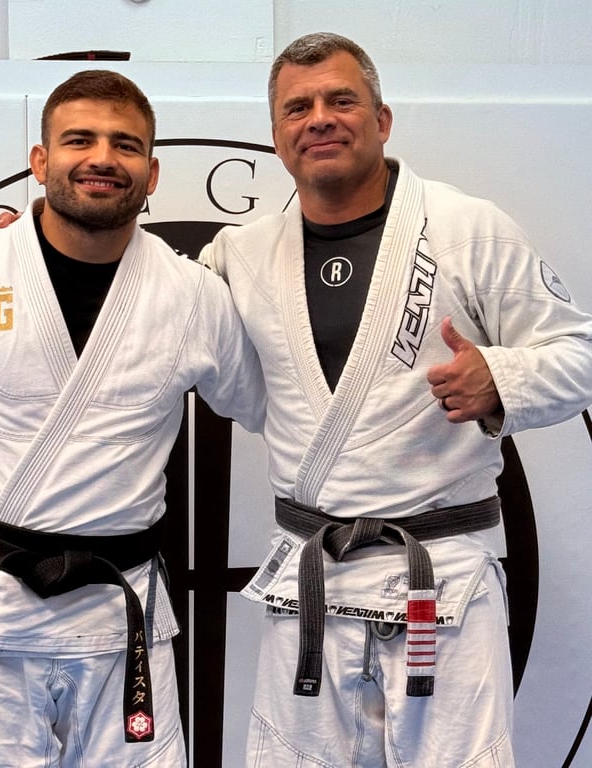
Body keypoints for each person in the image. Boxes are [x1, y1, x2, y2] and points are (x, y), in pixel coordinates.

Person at [0, 70, 266, 768]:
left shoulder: (192, 295)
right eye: (78, 140)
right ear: (40, 160)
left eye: (125, 145)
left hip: (123, 619)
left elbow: (274, 404)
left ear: (151, 174)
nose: (102, 158)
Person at [197, 32, 592, 768]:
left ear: (381, 120)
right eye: (297, 108)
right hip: (310, 583)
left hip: (440, 583)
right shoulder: (240, 255)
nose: (319, 118)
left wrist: (501, 378)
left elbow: (580, 353)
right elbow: (140, 298)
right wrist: (20, 244)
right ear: (278, 137)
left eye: (341, 100)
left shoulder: (467, 229)